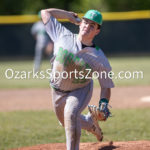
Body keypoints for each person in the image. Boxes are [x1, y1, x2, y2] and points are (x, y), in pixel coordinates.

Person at [41, 8, 114, 150]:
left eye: (92, 25)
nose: (87, 26)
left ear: (97, 31)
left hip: (80, 90)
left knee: (70, 114)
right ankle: (90, 124)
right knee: (66, 121)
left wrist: (103, 104)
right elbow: (45, 13)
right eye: (86, 22)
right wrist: (68, 15)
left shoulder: (99, 57)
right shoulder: (62, 35)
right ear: (80, 24)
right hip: (56, 90)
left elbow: (106, 85)